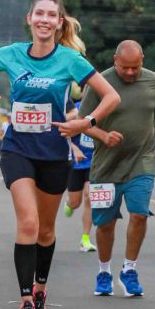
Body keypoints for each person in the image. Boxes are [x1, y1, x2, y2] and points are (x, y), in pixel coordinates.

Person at [0, 0, 120, 309]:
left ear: (59, 23)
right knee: (28, 224)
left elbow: (112, 96)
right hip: (17, 150)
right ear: (30, 19)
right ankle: (25, 302)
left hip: (54, 155)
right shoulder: (12, 54)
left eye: (52, 15)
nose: (45, 20)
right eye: (39, 14)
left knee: (46, 230)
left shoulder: (70, 59)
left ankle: (41, 291)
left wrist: (84, 123)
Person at [79, 40, 155, 298]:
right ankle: (104, 272)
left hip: (141, 160)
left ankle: (129, 270)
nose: (131, 73)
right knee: (106, 224)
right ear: (115, 60)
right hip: (105, 165)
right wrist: (102, 135)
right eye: (125, 68)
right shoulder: (99, 83)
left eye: (136, 67)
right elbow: (82, 122)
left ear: (142, 59)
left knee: (140, 214)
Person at [63, 99, 97, 252]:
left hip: (95, 163)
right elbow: (62, 131)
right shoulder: (76, 110)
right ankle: (69, 204)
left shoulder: (106, 108)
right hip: (77, 162)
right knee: (75, 202)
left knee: (89, 197)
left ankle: (85, 239)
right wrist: (74, 148)